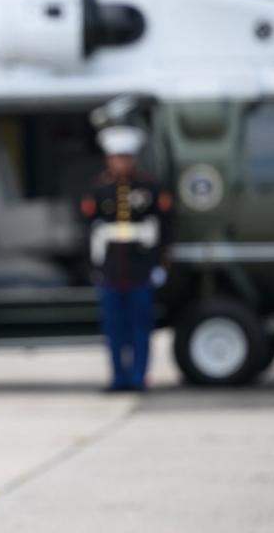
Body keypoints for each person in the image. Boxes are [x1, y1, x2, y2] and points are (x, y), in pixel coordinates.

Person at [81, 125, 172, 392]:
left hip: (140, 268)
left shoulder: (149, 187)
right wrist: (94, 267)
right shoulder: (99, 189)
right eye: (115, 158)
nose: (120, 163)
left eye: (124, 158)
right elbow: (89, 230)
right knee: (115, 329)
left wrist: (159, 265)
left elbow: (164, 229)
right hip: (111, 268)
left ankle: (139, 377)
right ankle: (119, 377)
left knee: (140, 328)